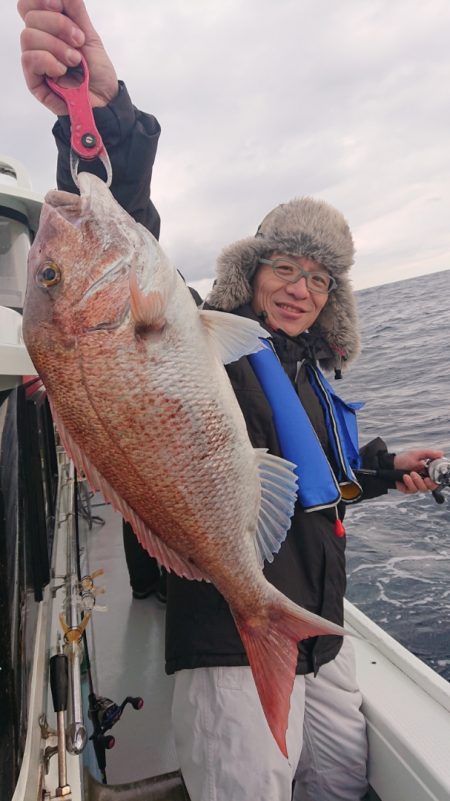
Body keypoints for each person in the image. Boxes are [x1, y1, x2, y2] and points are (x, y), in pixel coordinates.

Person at [18, 3, 444, 799]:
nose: (301, 288)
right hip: (226, 638)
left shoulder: (307, 368)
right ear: (250, 271)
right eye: (286, 266)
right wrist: (103, 118)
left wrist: (386, 469)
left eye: (319, 278)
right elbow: (130, 226)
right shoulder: (211, 335)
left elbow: (320, 477)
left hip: (318, 629)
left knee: (340, 783)